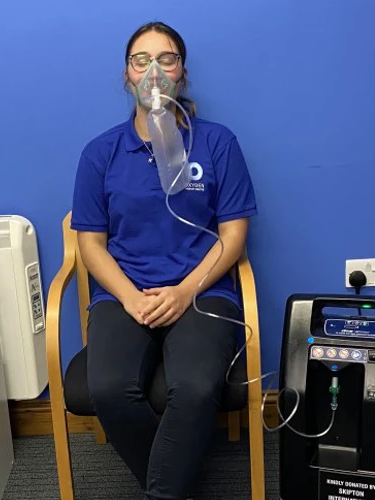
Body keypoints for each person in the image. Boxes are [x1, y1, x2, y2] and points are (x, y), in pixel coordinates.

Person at [70, 21, 258, 500]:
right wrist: (131, 298)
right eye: (141, 60)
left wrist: (184, 291)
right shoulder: (101, 153)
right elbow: (90, 243)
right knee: (108, 389)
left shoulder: (216, 143)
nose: (154, 70)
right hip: (124, 294)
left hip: (201, 291)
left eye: (166, 58)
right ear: (127, 76)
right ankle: (177, 487)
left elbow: (233, 235)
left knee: (195, 389)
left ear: (183, 72)